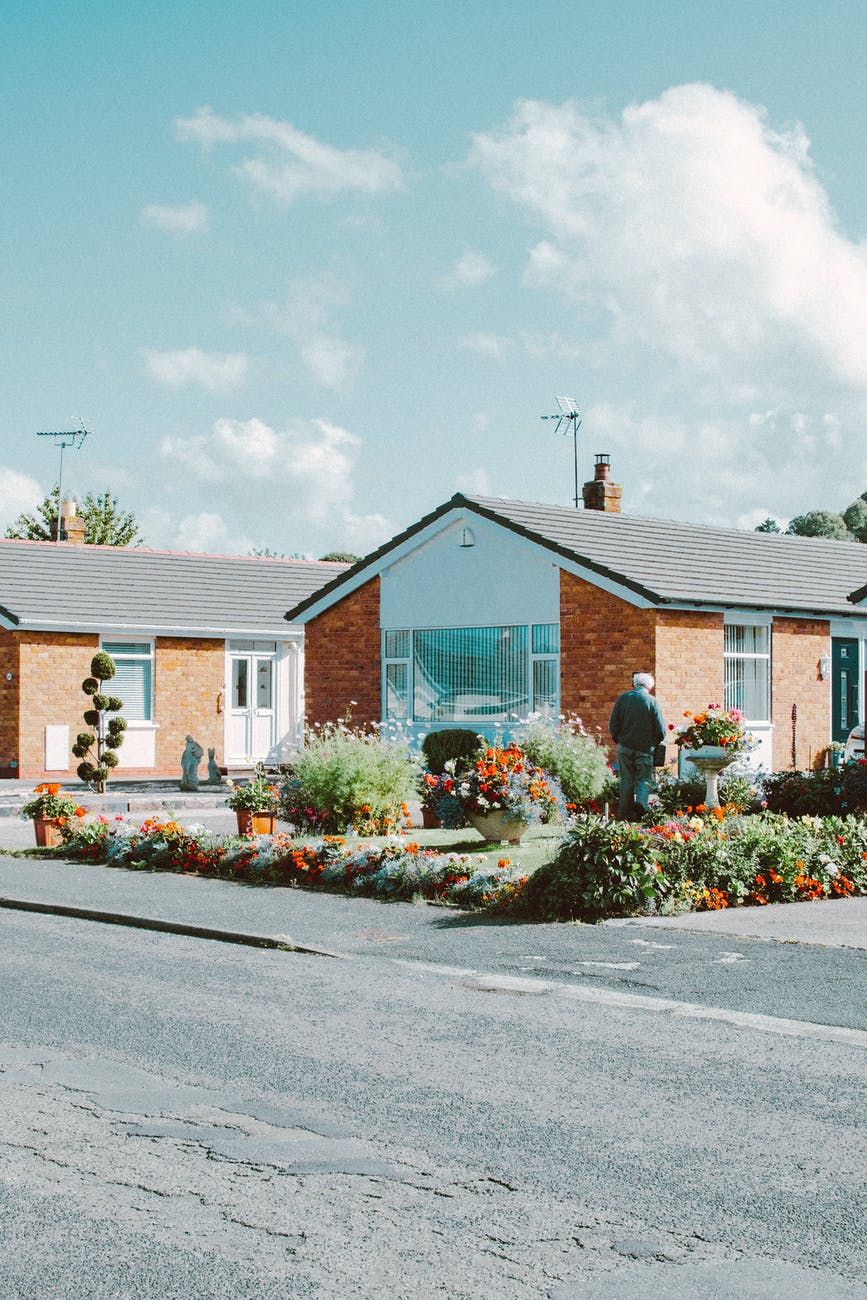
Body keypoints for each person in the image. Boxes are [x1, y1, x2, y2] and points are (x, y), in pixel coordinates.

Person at [609, 672, 666, 820]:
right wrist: (655, 742)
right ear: (650, 686)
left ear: (635, 684)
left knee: (626, 779)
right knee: (644, 778)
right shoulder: (652, 701)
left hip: (625, 746)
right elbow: (661, 730)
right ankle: (641, 805)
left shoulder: (623, 699)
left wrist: (619, 740)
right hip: (645, 748)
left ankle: (625, 814)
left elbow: (613, 724)